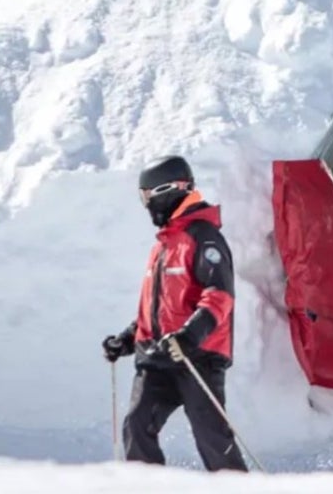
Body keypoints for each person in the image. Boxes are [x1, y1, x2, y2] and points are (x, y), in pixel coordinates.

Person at [101, 156, 248, 472]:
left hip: (198, 357)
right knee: (137, 426)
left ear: (168, 190)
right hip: (158, 358)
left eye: (147, 196)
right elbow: (155, 312)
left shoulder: (203, 237)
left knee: (211, 438)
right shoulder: (163, 246)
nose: (146, 205)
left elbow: (219, 295)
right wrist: (126, 341)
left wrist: (190, 335)